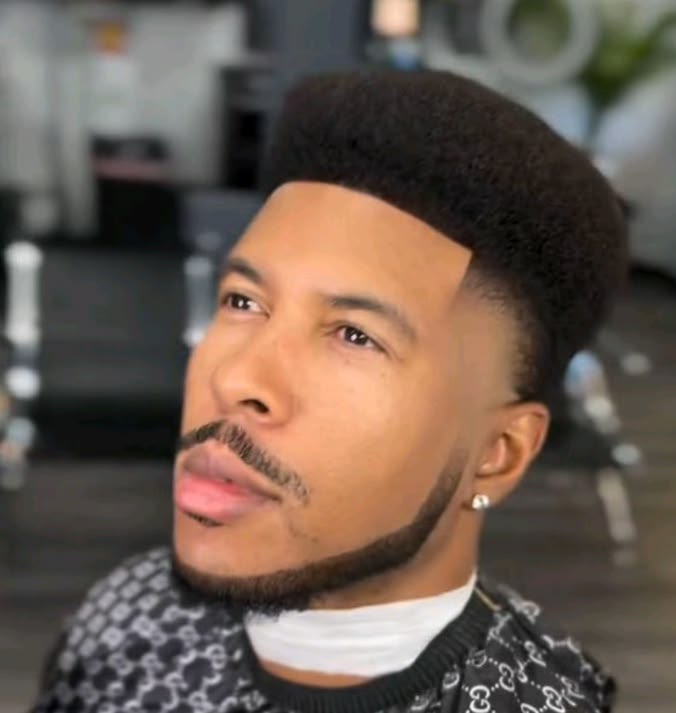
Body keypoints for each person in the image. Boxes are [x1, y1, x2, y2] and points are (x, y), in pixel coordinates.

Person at [31, 69, 627, 713]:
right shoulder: (124, 618)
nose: (235, 380)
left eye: (354, 335)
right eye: (243, 301)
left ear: (497, 454)